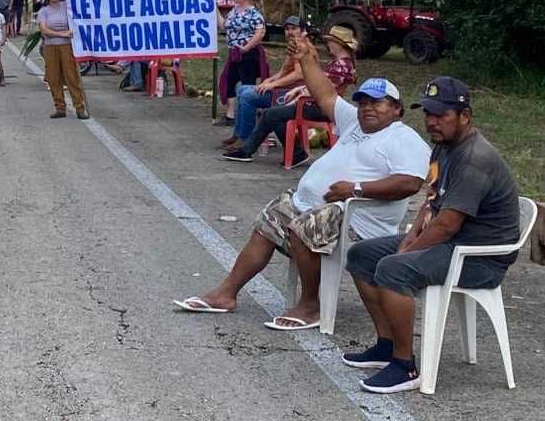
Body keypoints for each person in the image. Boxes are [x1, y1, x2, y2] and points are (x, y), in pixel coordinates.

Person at [174, 33, 429, 330]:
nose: (368, 108)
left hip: (359, 222)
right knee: (271, 216)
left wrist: (356, 189)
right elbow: (325, 94)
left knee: (305, 225)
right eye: (363, 102)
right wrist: (306, 57)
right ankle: (226, 293)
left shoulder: (403, 138)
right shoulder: (354, 122)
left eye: (378, 103)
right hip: (322, 210)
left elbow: (410, 183)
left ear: (396, 109)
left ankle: (311, 305)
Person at [343, 77, 520, 393]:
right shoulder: (442, 147)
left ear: (464, 116)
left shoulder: (475, 159)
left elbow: (447, 224)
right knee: (361, 255)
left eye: (441, 115)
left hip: (480, 257)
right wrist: (411, 234)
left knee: (392, 268)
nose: (431, 121)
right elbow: (431, 200)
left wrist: (405, 253)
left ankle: (405, 366)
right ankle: (387, 344)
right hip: (453, 243)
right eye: (428, 114)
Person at [222, 24, 358, 165]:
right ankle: (261, 150)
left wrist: (298, 95)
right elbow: (318, 83)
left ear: (338, 44)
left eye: (330, 41)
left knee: (271, 114)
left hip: (319, 107)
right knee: (271, 113)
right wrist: (296, 90)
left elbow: (322, 89)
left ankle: (254, 150)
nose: (328, 44)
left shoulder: (341, 66)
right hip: (315, 103)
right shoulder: (340, 64)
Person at [222, 16, 306, 148]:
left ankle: (246, 139)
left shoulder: (303, 47)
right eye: (287, 29)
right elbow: (284, 71)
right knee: (242, 89)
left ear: (303, 31)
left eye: (294, 29)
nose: (290, 32)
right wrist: (269, 80)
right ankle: (238, 134)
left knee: (247, 96)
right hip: (284, 89)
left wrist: (272, 85)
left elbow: (298, 74)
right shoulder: (293, 46)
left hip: (293, 94)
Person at [215, 0, 268, 126]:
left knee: (247, 85)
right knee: (228, 81)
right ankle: (231, 116)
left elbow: (260, 32)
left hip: (249, 54)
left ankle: (246, 118)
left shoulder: (254, 14)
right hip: (235, 53)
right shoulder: (234, 11)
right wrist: (215, 10)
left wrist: (246, 47)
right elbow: (223, 26)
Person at [37, 0, 89, 120]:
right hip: (50, 46)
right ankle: (60, 107)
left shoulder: (68, 7)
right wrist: (62, 34)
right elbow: (44, 30)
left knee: (72, 77)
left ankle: (79, 107)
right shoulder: (44, 11)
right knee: (54, 78)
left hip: (67, 46)